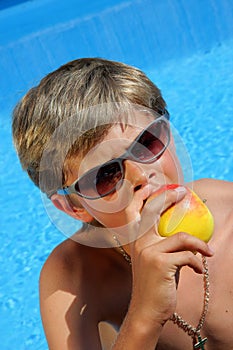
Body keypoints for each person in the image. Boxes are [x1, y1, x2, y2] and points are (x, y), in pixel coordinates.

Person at [12, 58, 233, 350]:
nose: (141, 175)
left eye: (148, 142)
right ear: (73, 207)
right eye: (105, 175)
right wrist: (144, 313)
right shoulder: (73, 281)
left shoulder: (229, 215)